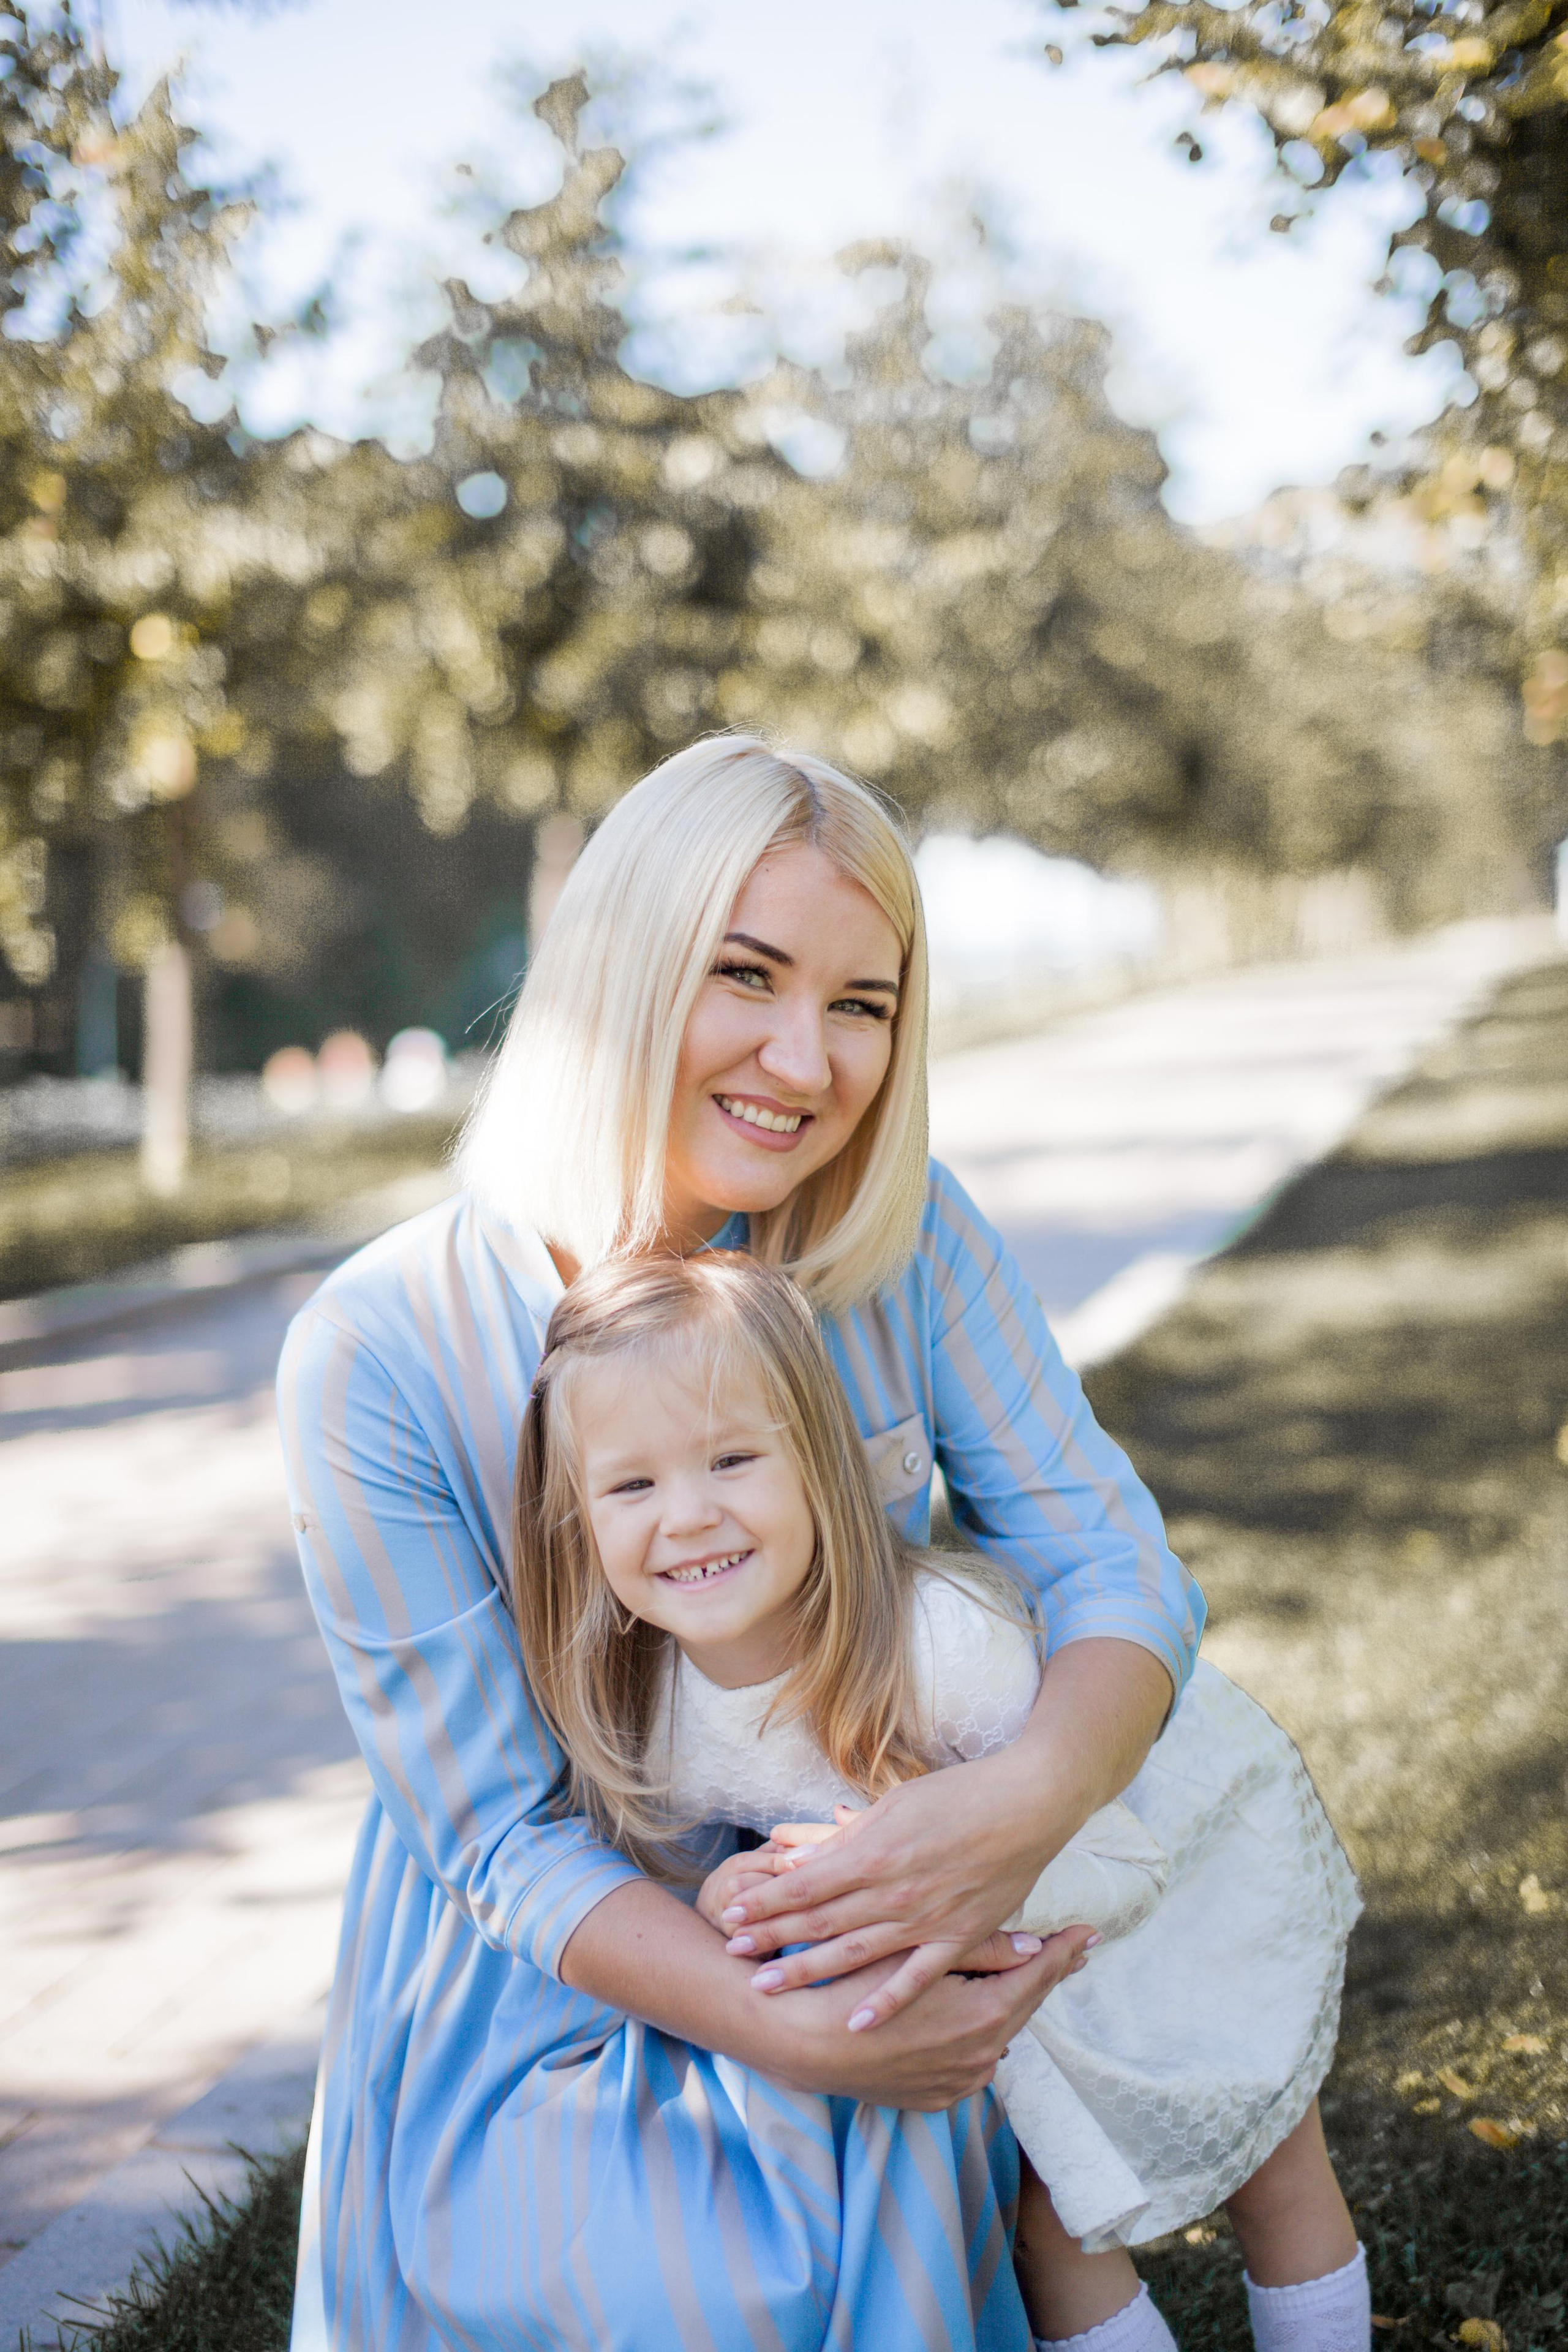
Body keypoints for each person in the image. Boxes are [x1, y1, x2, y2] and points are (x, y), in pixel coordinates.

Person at [281, 736, 1204, 2351]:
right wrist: (801, 2039)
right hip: (569, 1972)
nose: (808, 1059)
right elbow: (498, 1840)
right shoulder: (379, 1346)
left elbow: (1111, 1557)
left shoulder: (899, 1246)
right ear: (627, 970)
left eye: (863, 1002)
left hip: (887, 1896)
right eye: (748, 975)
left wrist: (1019, 1801)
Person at [510, 1248, 1370, 2352]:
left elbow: (1122, 1845)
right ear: (576, 1520)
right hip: (1005, 1984)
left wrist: (914, 1869)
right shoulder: (657, 1716)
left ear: (817, 1465)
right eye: (632, 1485)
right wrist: (735, 1890)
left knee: (1270, 2153)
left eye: (731, 1459)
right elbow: (696, 1873)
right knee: (1055, 2223)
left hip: (1159, 1874)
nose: (686, 1516)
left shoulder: (943, 1651)